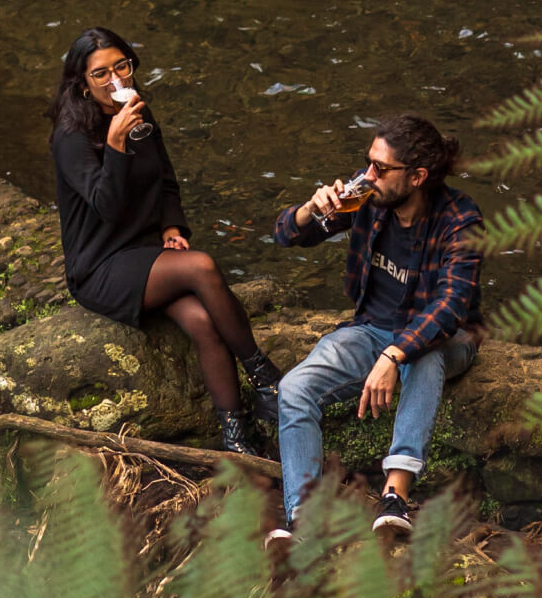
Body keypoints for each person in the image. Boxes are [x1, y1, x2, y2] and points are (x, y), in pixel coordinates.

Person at [48, 27, 284, 455]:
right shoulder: (71, 136)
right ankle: (266, 379)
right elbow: (106, 206)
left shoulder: (140, 110)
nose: (116, 80)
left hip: (148, 250)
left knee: (203, 323)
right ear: (82, 83)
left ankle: (237, 437)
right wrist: (116, 144)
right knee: (201, 266)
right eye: (101, 74)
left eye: (123, 66)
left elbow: (166, 180)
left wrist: (172, 229)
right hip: (100, 264)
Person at [268, 113, 485, 540]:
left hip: (445, 339)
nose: (367, 175)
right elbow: (286, 237)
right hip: (369, 331)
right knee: (294, 389)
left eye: (380, 168)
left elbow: (450, 308)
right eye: (368, 162)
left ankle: (395, 497)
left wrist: (395, 353)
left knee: (425, 354)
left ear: (418, 176)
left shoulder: (460, 219)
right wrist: (312, 210)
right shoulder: (368, 195)